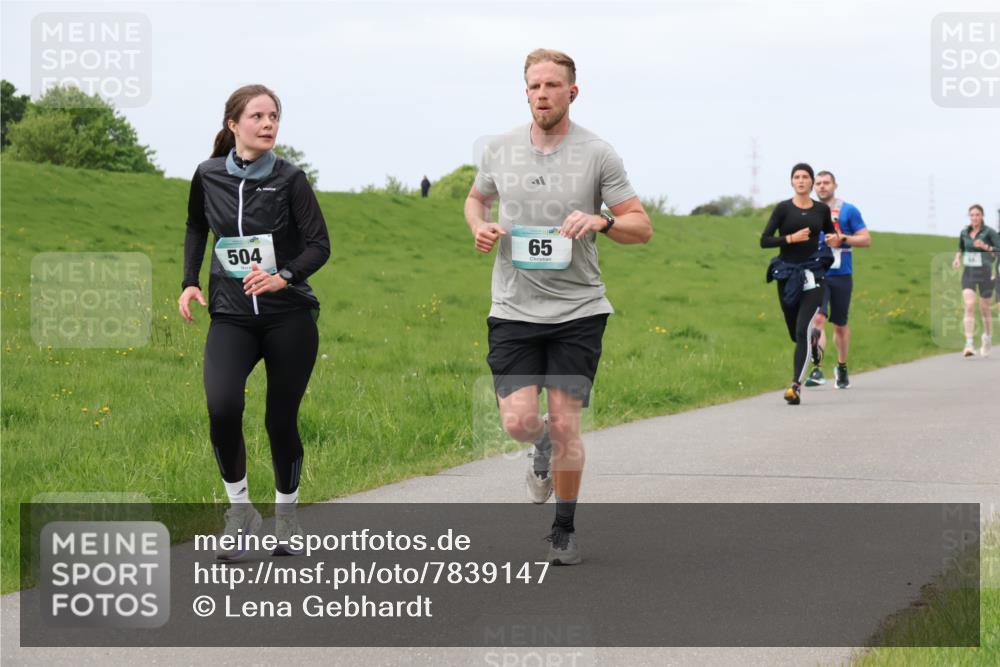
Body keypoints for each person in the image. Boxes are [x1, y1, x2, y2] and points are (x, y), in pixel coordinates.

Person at [464, 49, 652, 565]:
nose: (542, 94)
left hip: (578, 310)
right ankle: (538, 445)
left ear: (573, 91)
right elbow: (475, 199)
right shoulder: (500, 149)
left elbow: (641, 225)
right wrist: (478, 227)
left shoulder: (598, 153)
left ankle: (564, 529)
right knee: (520, 421)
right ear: (525, 91)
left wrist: (603, 222)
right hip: (513, 308)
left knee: (568, 422)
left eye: (552, 85)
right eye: (534, 86)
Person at [178, 84, 331, 560]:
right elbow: (196, 225)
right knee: (222, 408)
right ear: (234, 125)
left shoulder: (290, 178)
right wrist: (188, 281)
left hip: (289, 318)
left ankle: (286, 517)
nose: (268, 124)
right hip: (230, 316)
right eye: (258, 116)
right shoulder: (207, 175)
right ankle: (240, 511)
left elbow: (319, 245)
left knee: (279, 420)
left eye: (274, 117)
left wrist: (283, 277)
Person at [761, 163, 839, 405]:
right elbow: (765, 240)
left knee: (802, 329)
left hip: (813, 275)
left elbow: (830, 234)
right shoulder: (783, 209)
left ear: (812, 182)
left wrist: (833, 239)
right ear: (792, 182)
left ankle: (795, 385)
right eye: (797, 177)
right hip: (787, 274)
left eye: (806, 177)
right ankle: (813, 344)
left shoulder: (820, 210)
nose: (801, 181)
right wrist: (790, 239)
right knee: (795, 333)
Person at [803, 171, 870, 389]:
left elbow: (866, 239)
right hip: (817, 274)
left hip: (841, 275)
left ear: (835, 185)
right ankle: (816, 368)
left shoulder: (848, 211)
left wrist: (843, 239)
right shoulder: (807, 211)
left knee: (840, 326)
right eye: (819, 183)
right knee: (818, 320)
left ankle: (841, 367)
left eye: (826, 183)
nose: (822, 186)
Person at [951, 204, 999, 357]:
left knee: (984, 308)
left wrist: (984, 246)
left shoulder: (989, 232)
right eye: (972, 215)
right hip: (969, 272)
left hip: (985, 273)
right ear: (969, 216)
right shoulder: (964, 232)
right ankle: (969, 344)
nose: (974, 218)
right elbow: (961, 248)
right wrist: (957, 258)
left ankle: (987, 338)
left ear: (982, 216)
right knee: (970, 304)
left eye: (977, 215)